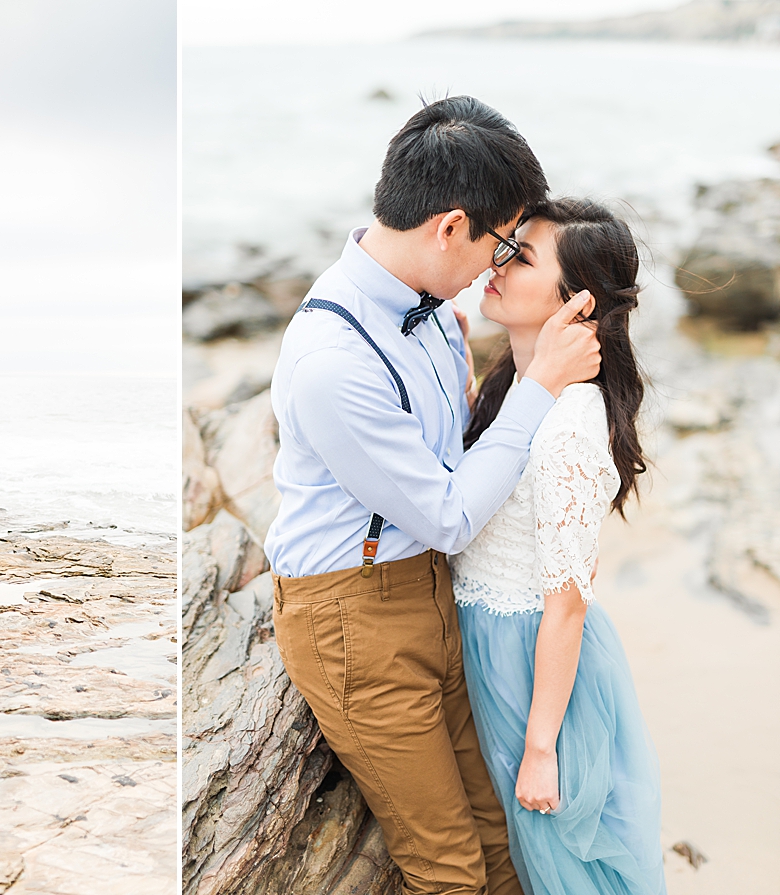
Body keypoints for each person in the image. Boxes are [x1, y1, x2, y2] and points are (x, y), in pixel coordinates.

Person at [266, 96, 601, 895]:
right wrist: (536, 385)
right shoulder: (332, 361)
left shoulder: (436, 312)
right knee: (445, 869)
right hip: (353, 617)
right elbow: (448, 514)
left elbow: (451, 467)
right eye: (502, 242)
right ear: (451, 226)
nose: (499, 263)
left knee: (496, 833)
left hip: (430, 594)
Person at [451, 198, 664, 894]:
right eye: (505, 246)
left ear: (576, 302)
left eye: (522, 255)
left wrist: (541, 747)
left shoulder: (570, 422)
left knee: (568, 870)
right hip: (499, 650)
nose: (498, 261)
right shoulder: (520, 386)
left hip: (536, 667)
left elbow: (568, 600)